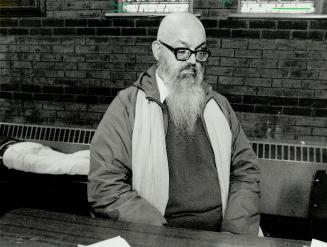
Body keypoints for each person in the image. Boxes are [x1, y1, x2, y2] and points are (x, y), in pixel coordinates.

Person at [88, 12, 261, 235]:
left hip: (222, 233)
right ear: (157, 50)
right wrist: (160, 235)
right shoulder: (127, 106)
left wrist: (234, 234)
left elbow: (245, 172)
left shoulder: (219, 105)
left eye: (199, 52)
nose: (192, 61)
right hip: (155, 232)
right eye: (182, 51)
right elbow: (105, 185)